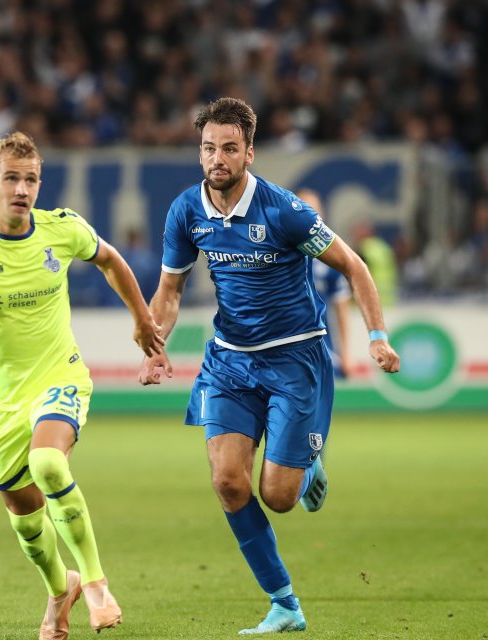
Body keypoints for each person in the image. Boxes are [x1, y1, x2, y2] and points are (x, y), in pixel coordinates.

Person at [138, 97, 400, 634]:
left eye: (229, 149)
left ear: (249, 154)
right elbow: (169, 289)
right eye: (209, 148)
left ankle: (306, 466)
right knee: (228, 482)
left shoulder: (285, 210)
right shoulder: (187, 210)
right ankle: (284, 603)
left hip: (294, 358)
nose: (217, 158)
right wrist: (155, 341)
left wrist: (377, 337)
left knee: (277, 497)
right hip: (230, 362)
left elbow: (353, 266)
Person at [0, 131, 162, 640]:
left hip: (59, 377)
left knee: (47, 462)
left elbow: (110, 260)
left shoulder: (62, 229)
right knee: (24, 516)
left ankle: (100, 586)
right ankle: (63, 588)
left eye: (31, 179)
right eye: (12, 179)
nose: (23, 189)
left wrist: (142, 319)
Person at [297, 189, 357, 379]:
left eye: (314, 210)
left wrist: (346, 352)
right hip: (282, 349)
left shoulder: (329, 259)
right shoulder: (275, 255)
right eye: (303, 209)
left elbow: (341, 306)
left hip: (321, 347)